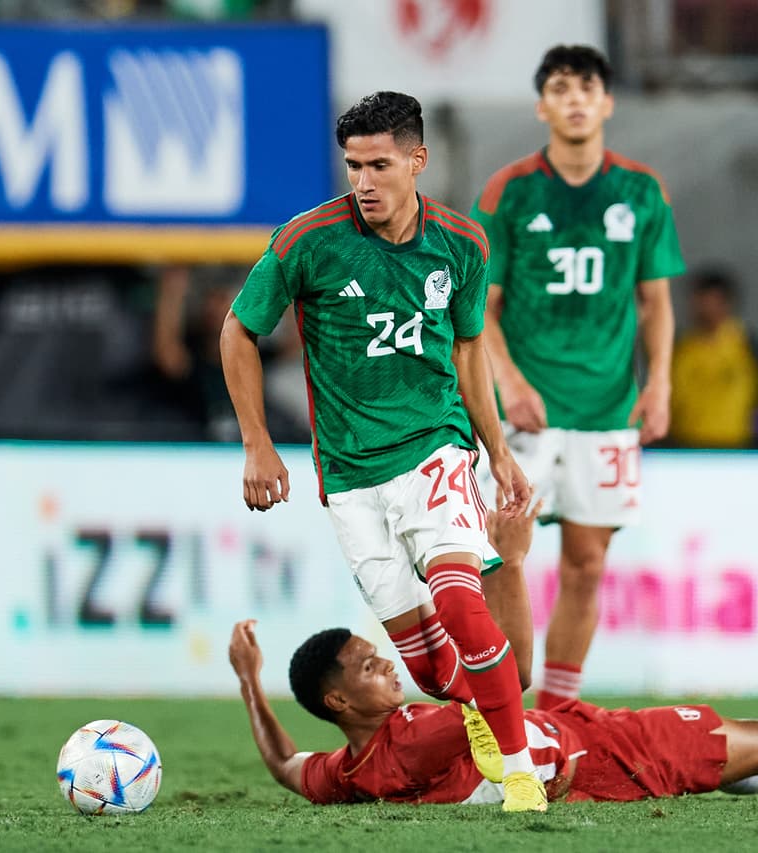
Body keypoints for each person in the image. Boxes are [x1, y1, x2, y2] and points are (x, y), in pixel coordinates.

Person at [219, 91, 545, 812]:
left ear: (417, 161)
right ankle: (485, 711)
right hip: (348, 475)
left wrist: (496, 449)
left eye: (379, 164)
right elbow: (238, 332)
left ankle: (520, 769)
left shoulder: (463, 244)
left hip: (434, 447)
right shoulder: (308, 240)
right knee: (429, 668)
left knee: (462, 603)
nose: (363, 181)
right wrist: (257, 442)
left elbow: (468, 350)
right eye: (353, 165)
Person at [227, 503, 758, 806]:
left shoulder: (350, 773)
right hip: (606, 761)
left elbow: (286, 766)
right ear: (338, 701)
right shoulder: (419, 737)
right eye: (368, 665)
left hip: (581, 733)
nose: (386, 664)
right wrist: (514, 563)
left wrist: (250, 685)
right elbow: (509, 674)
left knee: (756, 750)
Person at [470, 45, 686, 710]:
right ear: (542, 106)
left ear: (607, 103)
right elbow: (481, 308)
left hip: (607, 409)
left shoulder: (641, 191)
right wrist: (508, 381)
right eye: (560, 88)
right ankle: (499, 710)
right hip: (523, 413)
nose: (574, 98)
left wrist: (660, 385)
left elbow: (655, 301)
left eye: (587, 86)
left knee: (586, 566)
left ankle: (558, 715)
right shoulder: (509, 191)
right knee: (502, 558)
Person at [669, 267, 758, 448]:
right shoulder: (680, 345)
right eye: (698, 300)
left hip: (736, 445)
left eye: (709, 300)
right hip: (683, 444)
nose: (702, 307)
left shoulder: (747, 344)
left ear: (726, 303)